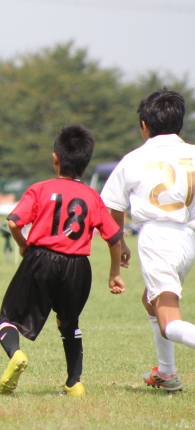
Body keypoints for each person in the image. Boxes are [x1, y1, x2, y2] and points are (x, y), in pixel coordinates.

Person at [0, 124, 125, 397]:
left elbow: (14, 223)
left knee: (7, 320)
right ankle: (74, 383)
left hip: (41, 259)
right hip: (78, 266)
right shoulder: (92, 196)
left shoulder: (40, 189)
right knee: (69, 323)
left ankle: (16, 354)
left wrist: (23, 246)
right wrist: (115, 273)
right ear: (86, 163)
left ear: (55, 158)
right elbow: (114, 238)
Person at [101, 88, 195, 393]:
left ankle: (168, 371)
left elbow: (112, 205)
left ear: (144, 125)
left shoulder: (135, 158)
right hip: (188, 238)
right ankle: (166, 372)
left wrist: (121, 242)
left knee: (169, 317)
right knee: (151, 300)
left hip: (157, 237)